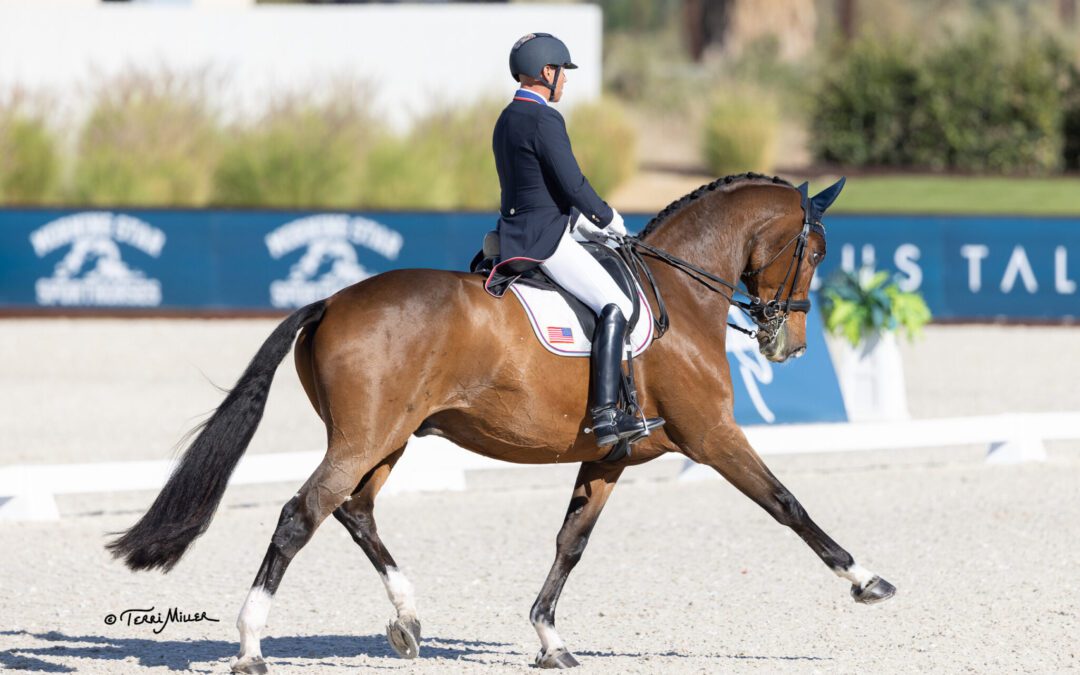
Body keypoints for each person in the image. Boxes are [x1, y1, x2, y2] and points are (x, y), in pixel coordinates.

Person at [489, 32, 664, 448]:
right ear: (546, 72)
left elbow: (536, 186)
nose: (565, 81)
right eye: (562, 72)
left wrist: (581, 224)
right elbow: (572, 184)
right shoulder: (544, 119)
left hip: (520, 227)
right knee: (617, 304)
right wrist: (607, 218)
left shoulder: (506, 118)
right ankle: (606, 415)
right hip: (544, 238)